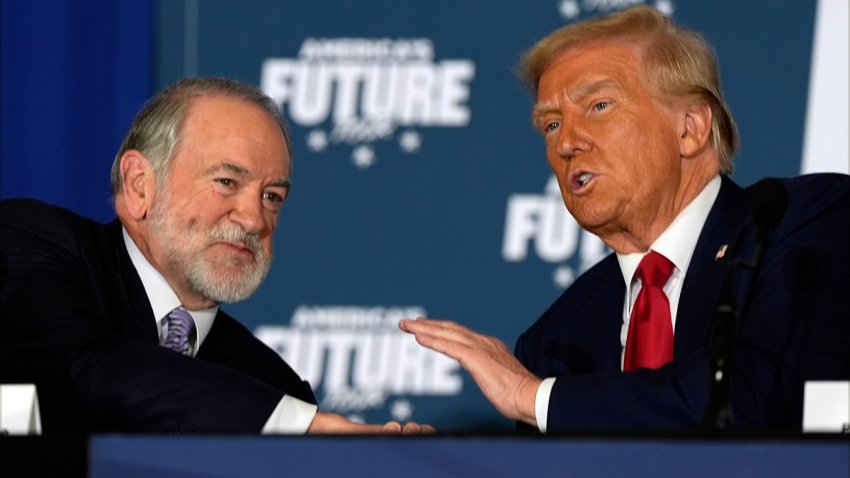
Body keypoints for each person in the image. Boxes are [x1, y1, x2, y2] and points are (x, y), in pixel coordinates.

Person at [400, 5, 850, 433]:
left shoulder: (802, 224)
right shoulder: (555, 339)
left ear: (690, 128)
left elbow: (756, 399)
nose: (567, 144)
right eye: (552, 124)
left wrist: (536, 398)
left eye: (598, 107)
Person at [0, 77, 431, 434]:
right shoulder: (33, 243)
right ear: (139, 186)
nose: (254, 219)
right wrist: (298, 429)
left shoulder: (270, 384)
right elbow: (85, 370)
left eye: (272, 196)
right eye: (227, 181)